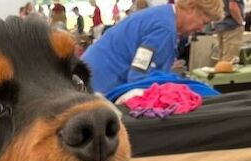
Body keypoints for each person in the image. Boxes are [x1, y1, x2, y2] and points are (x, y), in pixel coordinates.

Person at [82, 0, 224, 95]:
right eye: (204, 21)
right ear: (192, 8)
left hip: (87, 76)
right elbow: (139, 78)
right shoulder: (165, 29)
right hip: (99, 85)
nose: (201, 27)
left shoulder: (161, 15)